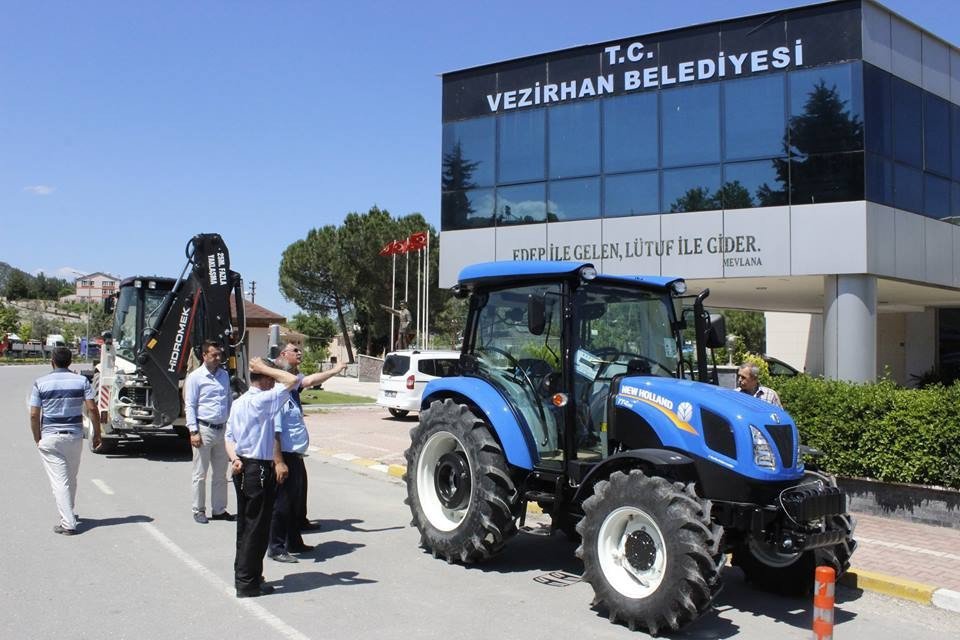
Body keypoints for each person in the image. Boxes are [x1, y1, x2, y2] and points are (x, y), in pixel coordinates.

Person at [225, 357, 300, 598]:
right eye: (270, 378)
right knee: (257, 528)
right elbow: (292, 379)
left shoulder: (239, 402)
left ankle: (248, 575)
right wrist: (266, 368)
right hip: (257, 468)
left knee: (246, 526)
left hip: (243, 465)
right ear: (266, 379)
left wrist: (234, 459)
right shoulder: (264, 400)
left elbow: (229, 437)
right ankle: (248, 583)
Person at [268, 344, 349, 563]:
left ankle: (294, 541)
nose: (300, 352)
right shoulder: (278, 396)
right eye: (294, 350)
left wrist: (334, 371)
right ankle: (276, 547)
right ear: (283, 356)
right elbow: (274, 432)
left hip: (295, 454)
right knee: (282, 504)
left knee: (294, 502)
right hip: (284, 455)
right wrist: (278, 462)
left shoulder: (291, 390)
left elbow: (310, 380)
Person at [29, 346, 101, 535]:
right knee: (70, 477)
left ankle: (68, 523)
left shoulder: (40, 383)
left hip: (50, 437)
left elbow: (34, 415)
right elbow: (92, 409)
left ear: (52, 361)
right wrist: (98, 433)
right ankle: (69, 512)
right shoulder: (81, 381)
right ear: (70, 362)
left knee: (60, 481)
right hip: (74, 437)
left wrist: (37, 437)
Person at [184, 340, 234, 524]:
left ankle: (219, 509)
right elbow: (190, 404)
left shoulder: (224, 375)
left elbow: (228, 399)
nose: (218, 358)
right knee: (200, 474)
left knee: (221, 474)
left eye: (219, 354)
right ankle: (198, 510)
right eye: (214, 355)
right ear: (204, 355)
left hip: (222, 430)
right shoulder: (196, 377)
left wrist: (231, 425)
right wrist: (193, 431)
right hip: (204, 430)